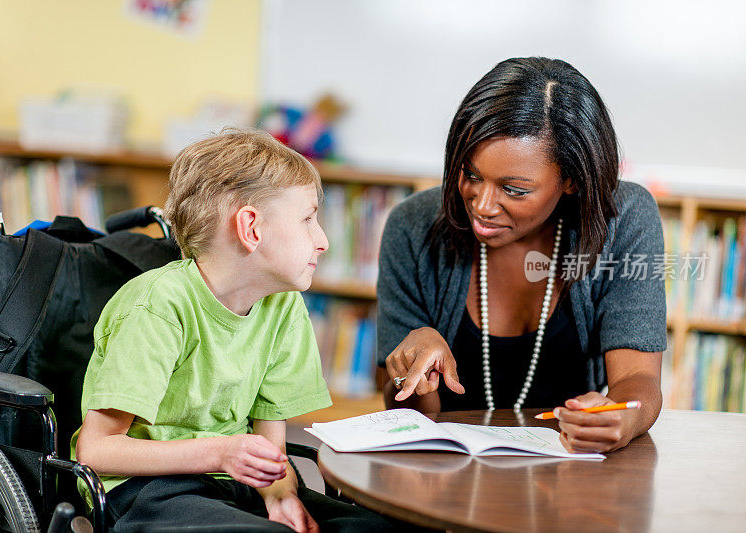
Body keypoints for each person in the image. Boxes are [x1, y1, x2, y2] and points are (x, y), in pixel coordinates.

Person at [71, 130, 395, 532]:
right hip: (146, 487)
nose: (323, 241)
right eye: (308, 219)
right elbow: (96, 450)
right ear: (251, 228)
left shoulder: (283, 305)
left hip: (235, 480)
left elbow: (269, 444)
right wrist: (221, 453)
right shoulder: (158, 306)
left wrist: (281, 497)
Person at [377, 57, 666, 454]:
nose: (482, 204)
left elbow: (638, 377)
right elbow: (406, 413)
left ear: (571, 180)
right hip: (445, 472)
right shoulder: (412, 226)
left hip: (568, 475)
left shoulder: (624, 218)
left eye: (514, 189)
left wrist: (622, 416)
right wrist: (412, 374)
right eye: (471, 174)